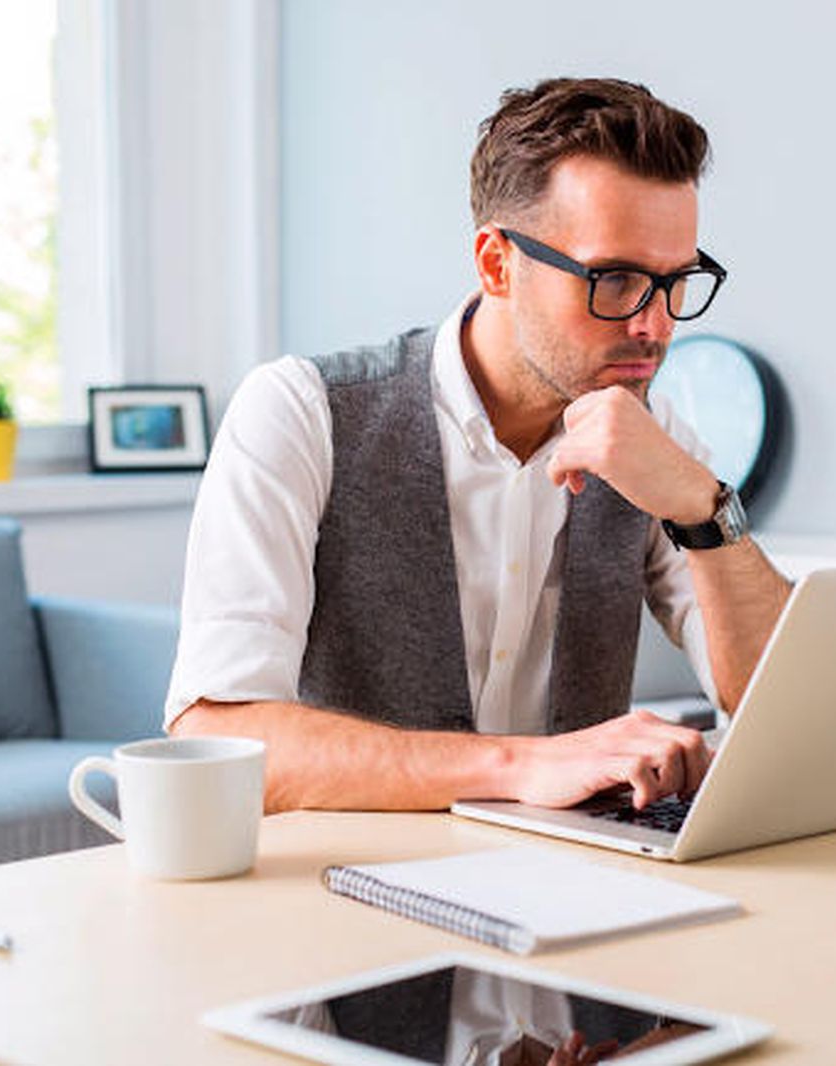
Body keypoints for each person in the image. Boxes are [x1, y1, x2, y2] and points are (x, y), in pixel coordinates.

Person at [165, 77, 791, 814]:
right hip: (348, 888)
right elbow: (218, 737)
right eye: (615, 279)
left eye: (675, 280)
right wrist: (520, 766)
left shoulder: (653, 439)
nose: (655, 325)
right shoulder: (301, 414)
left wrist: (703, 507)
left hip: (579, 886)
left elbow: (777, 707)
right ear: (497, 264)